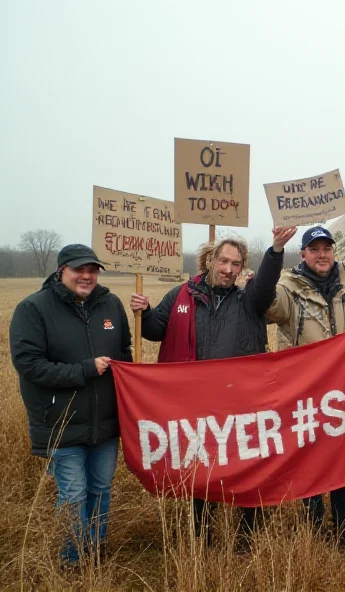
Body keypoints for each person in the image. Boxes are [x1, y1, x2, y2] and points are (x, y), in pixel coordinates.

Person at [130, 229, 291, 543]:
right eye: (224, 261)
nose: (229, 269)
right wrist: (145, 312)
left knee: (248, 464)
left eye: (236, 263)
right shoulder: (181, 295)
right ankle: (200, 531)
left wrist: (275, 250)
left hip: (242, 400)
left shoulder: (250, 300)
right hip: (196, 403)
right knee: (202, 467)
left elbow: (268, 283)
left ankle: (248, 532)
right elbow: (154, 330)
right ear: (210, 261)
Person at [266, 182, 345, 541]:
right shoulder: (289, 286)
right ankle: (313, 521)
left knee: (344, 459)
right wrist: (267, 266)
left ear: (334, 251)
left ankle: (340, 521)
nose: (322, 254)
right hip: (306, 390)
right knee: (310, 459)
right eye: (314, 249)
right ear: (303, 254)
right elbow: (268, 306)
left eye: (327, 248)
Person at [10, 244, 132, 566]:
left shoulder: (111, 305)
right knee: (74, 494)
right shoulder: (33, 309)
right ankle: (71, 559)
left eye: (93, 270)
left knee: (100, 489)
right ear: (61, 270)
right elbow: (29, 364)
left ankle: (95, 550)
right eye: (79, 269)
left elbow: (124, 351)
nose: (87, 276)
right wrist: (84, 370)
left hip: (105, 423)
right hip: (60, 422)